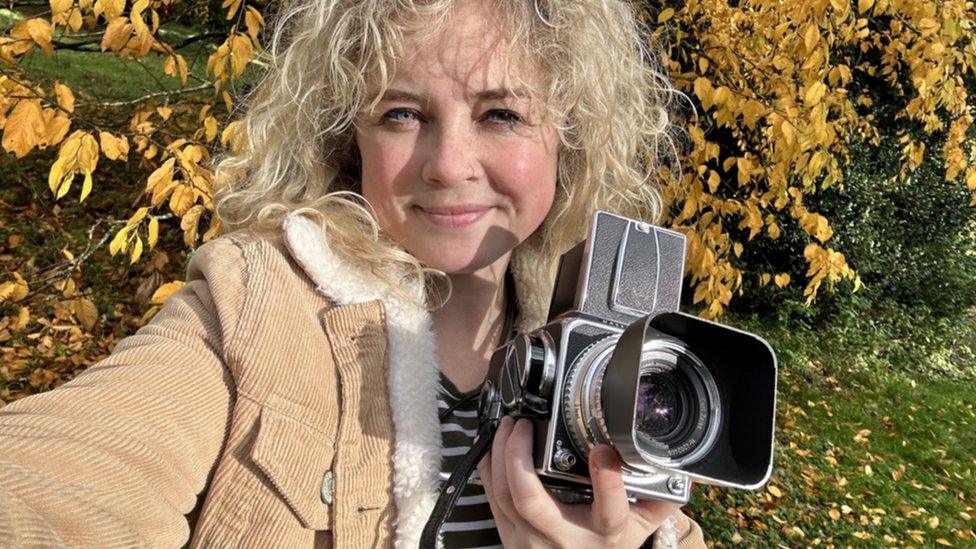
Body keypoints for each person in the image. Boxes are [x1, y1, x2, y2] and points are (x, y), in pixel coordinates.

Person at [0, 0, 706, 547]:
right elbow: (55, 482)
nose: (448, 163)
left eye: (501, 113)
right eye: (402, 113)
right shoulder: (253, 310)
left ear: (568, 137)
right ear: (348, 135)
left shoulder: (621, 366)